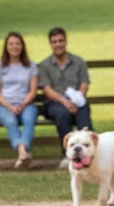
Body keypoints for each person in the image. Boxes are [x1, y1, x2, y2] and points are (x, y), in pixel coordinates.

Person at [38, 26, 92, 168]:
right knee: (62, 114)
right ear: (50, 44)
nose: (58, 44)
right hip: (54, 102)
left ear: (65, 42)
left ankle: (91, 154)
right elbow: (47, 89)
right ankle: (68, 155)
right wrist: (64, 102)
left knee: (84, 115)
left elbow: (84, 83)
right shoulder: (44, 65)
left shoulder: (78, 62)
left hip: (76, 100)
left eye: (60, 41)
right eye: (54, 42)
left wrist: (77, 100)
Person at [0, 32, 40, 169]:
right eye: (11, 44)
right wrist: (10, 106)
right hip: (3, 105)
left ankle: (22, 153)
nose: (14, 47)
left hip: (26, 104)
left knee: (30, 118)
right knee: (10, 120)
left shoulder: (31, 66)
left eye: (17, 43)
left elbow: (33, 90)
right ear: (6, 47)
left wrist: (23, 104)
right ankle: (23, 152)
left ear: (22, 46)